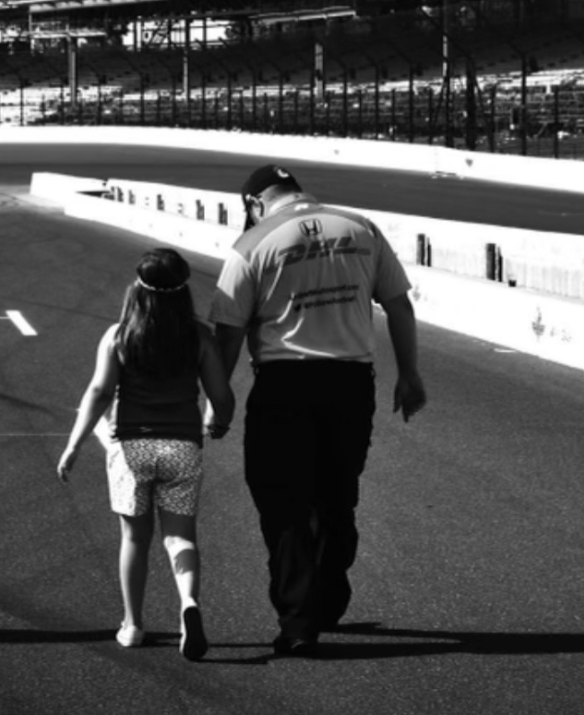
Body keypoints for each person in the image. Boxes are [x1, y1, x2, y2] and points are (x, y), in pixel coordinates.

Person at [209, 164, 426, 657]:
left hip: (284, 384)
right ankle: (328, 597)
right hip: (351, 383)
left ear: (255, 203)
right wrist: (410, 375)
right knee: (337, 494)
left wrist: (217, 401)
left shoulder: (253, 243)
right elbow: (400, 307)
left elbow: (227, 331)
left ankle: (300, 621)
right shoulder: (361, 227)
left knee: (283, 502)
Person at [57, 247, 234, 659]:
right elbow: (221, 395)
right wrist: (218, 423)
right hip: (182, 447)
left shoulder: (119, 334)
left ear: (139, 288)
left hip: (131, 448)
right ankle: (188, 603)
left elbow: (99, 392)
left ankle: (133, 624)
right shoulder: (199, 336)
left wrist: (74, 444)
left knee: (135, 538)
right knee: (180, 536)